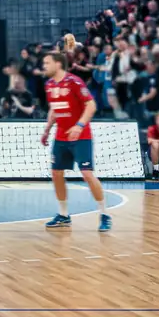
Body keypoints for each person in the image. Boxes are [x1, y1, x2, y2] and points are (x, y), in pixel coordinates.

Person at [41, 50, 111, 232]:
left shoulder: (74, 82)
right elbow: (54, 109)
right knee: (56, 173)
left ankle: (104, 214)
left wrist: (79, 125)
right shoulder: (49, 85)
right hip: (61, 136)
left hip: (81, 136)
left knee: (87, 174)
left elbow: (91, 105)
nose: (44, 66)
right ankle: (63, 215)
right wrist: (47, 129)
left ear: (58, 64)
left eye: (47, 63)